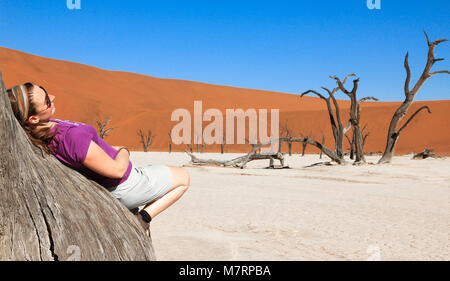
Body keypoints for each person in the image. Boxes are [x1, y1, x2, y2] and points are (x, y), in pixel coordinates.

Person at [7, 82, 190, 233]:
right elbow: (117, 171)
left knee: (160, 172)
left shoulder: (43, 131)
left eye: (45, 91)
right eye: (47, 101)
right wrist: (124, 150)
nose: (53, 97)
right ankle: (143, 219)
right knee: (184, 178)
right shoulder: (70, 138)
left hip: (122, 181)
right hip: (125, 185)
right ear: (33, 119)